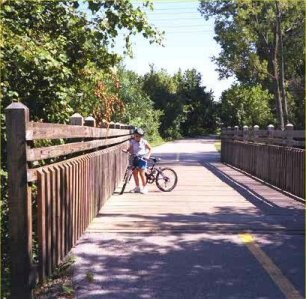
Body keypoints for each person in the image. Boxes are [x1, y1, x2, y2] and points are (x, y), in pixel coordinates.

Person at [123, 127, 152, 194]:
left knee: (142, 173)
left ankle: (145, 187)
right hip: (135, 158)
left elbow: (150, 149)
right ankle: (137, 187)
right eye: (136, 136)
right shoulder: (133, 142)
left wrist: (148, 156)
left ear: (141, 136)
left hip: (142, 158)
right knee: (135, 173)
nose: (137, 137)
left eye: (139, 136)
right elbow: (130, 149)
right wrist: (126, 151)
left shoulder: (144, 142)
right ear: (134, 135)